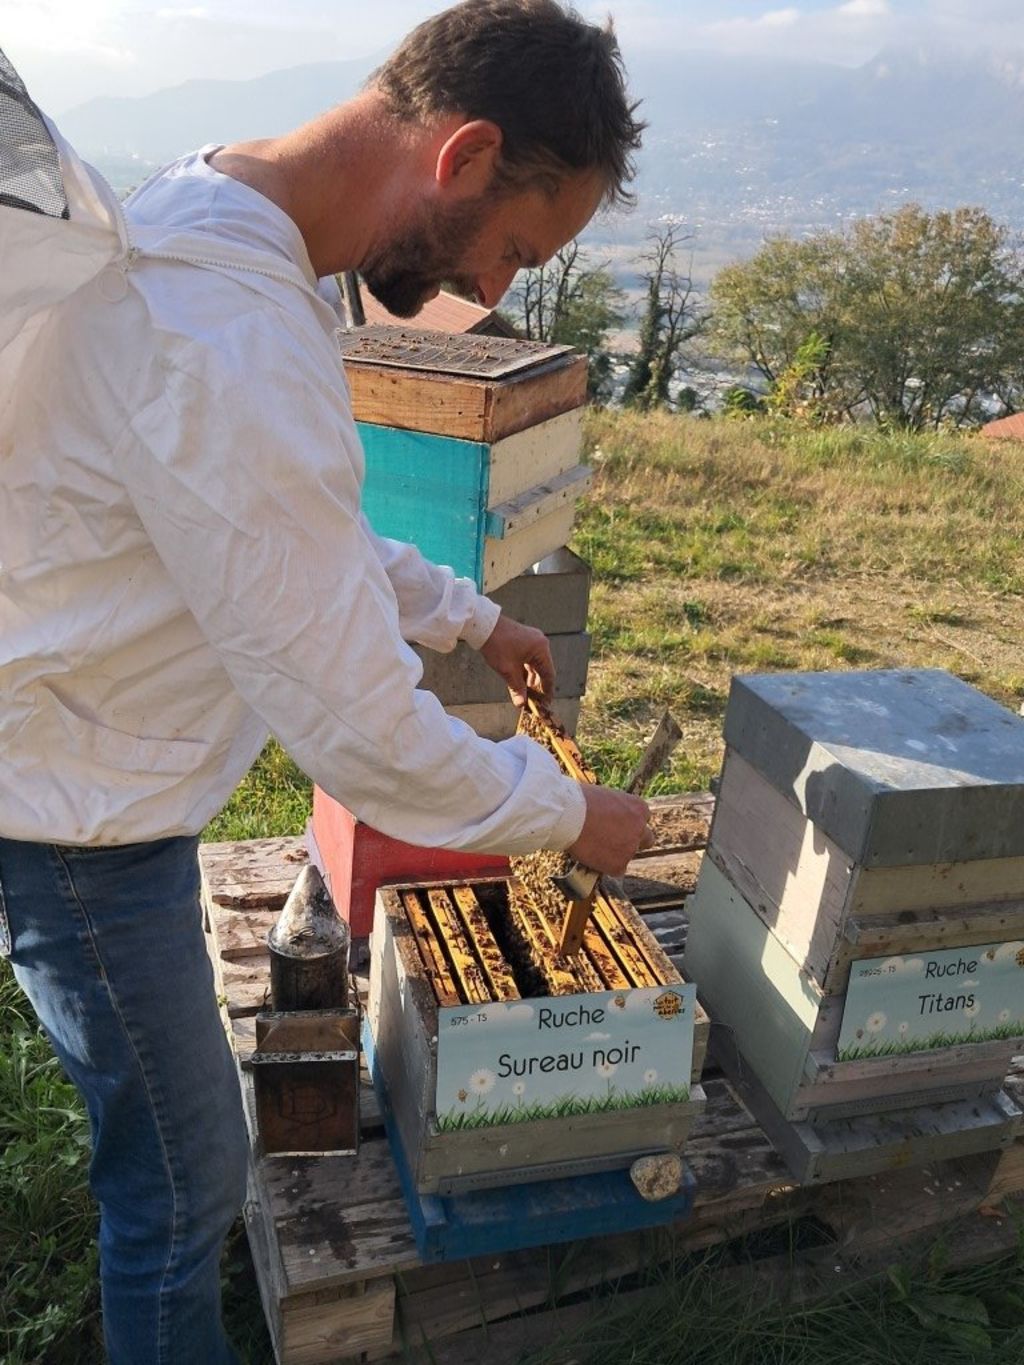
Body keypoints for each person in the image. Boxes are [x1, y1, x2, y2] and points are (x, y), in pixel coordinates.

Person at [0, 2, 648, 1360]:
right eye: (516, 250)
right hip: (71, 817)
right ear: (463, 153)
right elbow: (363, 734)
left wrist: (469, 616)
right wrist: (563, 810)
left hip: (85, 766)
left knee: (174, 1164)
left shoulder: (227, 211)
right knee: (180, 1187)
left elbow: (284, 525)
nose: (500, 292)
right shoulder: (224, 327)